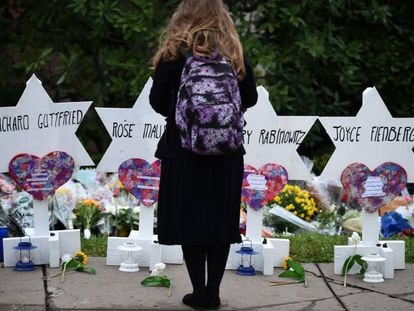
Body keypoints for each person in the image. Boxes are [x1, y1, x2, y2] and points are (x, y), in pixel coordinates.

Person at [149, 0, 257, 309]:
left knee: (190, 221)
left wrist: (185, 113)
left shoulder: (175, 54)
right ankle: (214, 292)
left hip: (182, 149)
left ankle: (198, 291)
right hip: (227, 151)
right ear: (223, 18)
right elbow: (250, 97)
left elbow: (157, 101)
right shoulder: (233, 53)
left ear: (184, 16)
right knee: (220, 221)